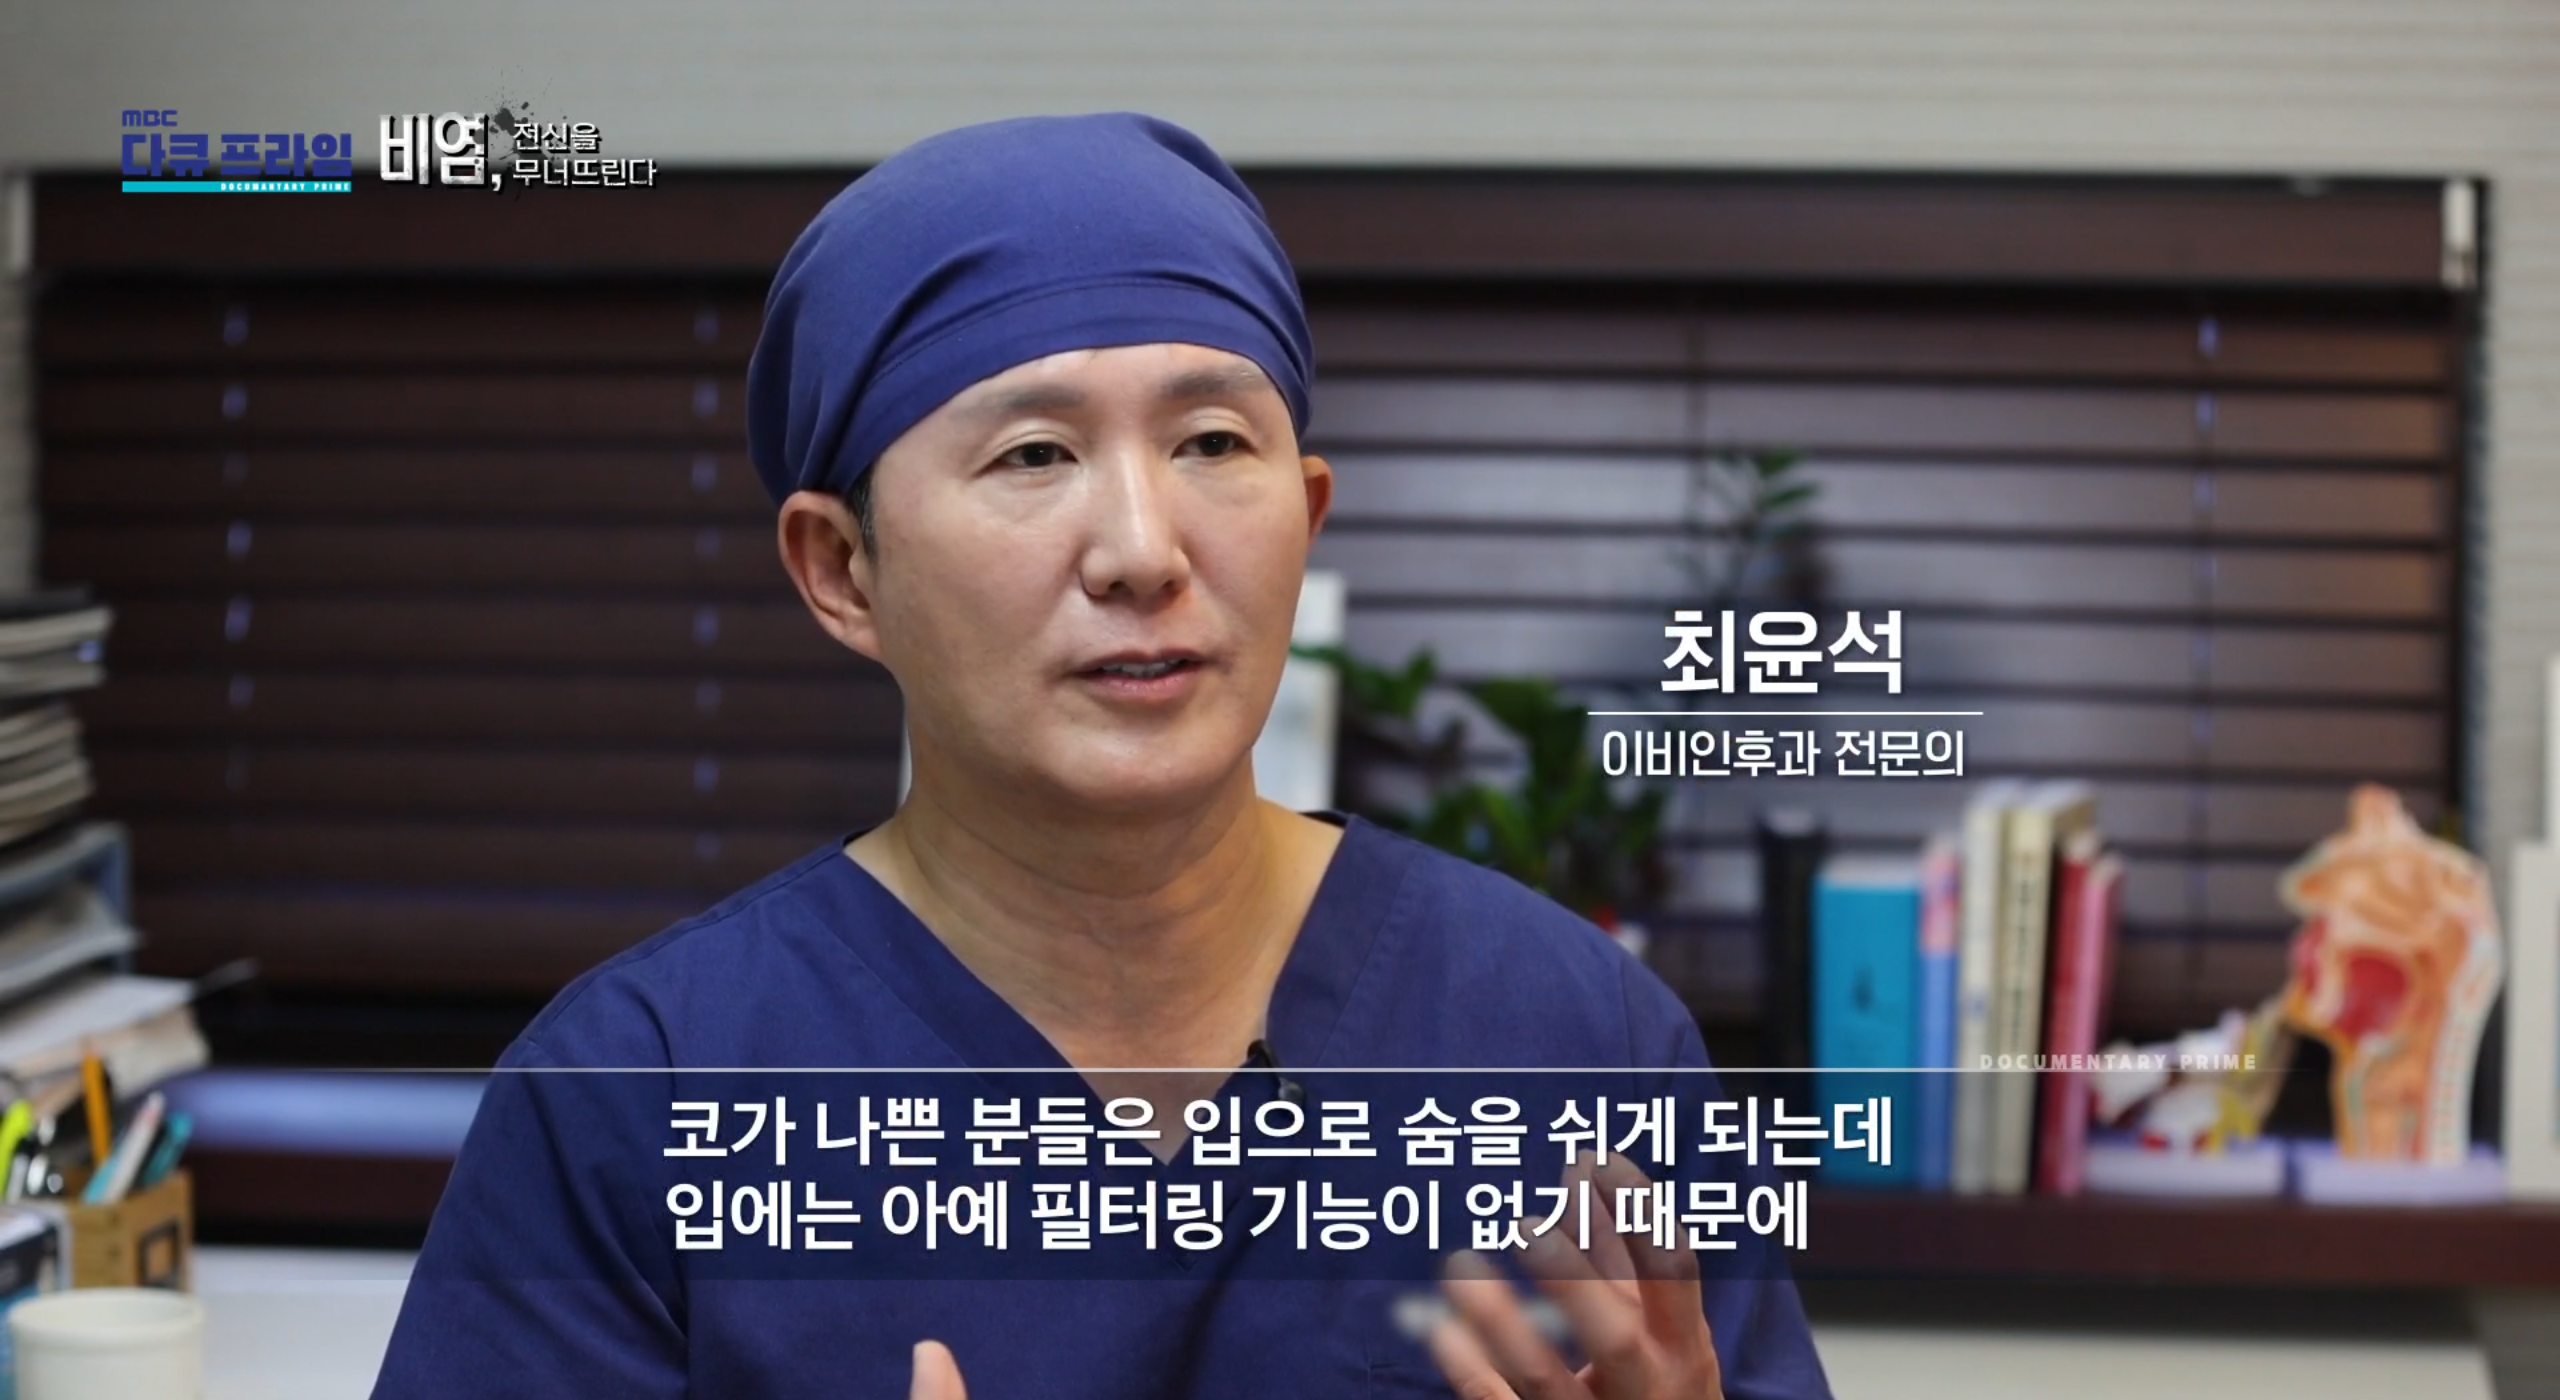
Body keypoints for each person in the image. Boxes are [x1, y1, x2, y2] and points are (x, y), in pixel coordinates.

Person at [370, 112, 1831, 1400]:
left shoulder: (1569, 1037)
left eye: (1212, 444)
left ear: (1309, 514)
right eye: (1033, 455)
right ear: (841, 571)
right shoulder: (636, 1103)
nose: (1143, 549)